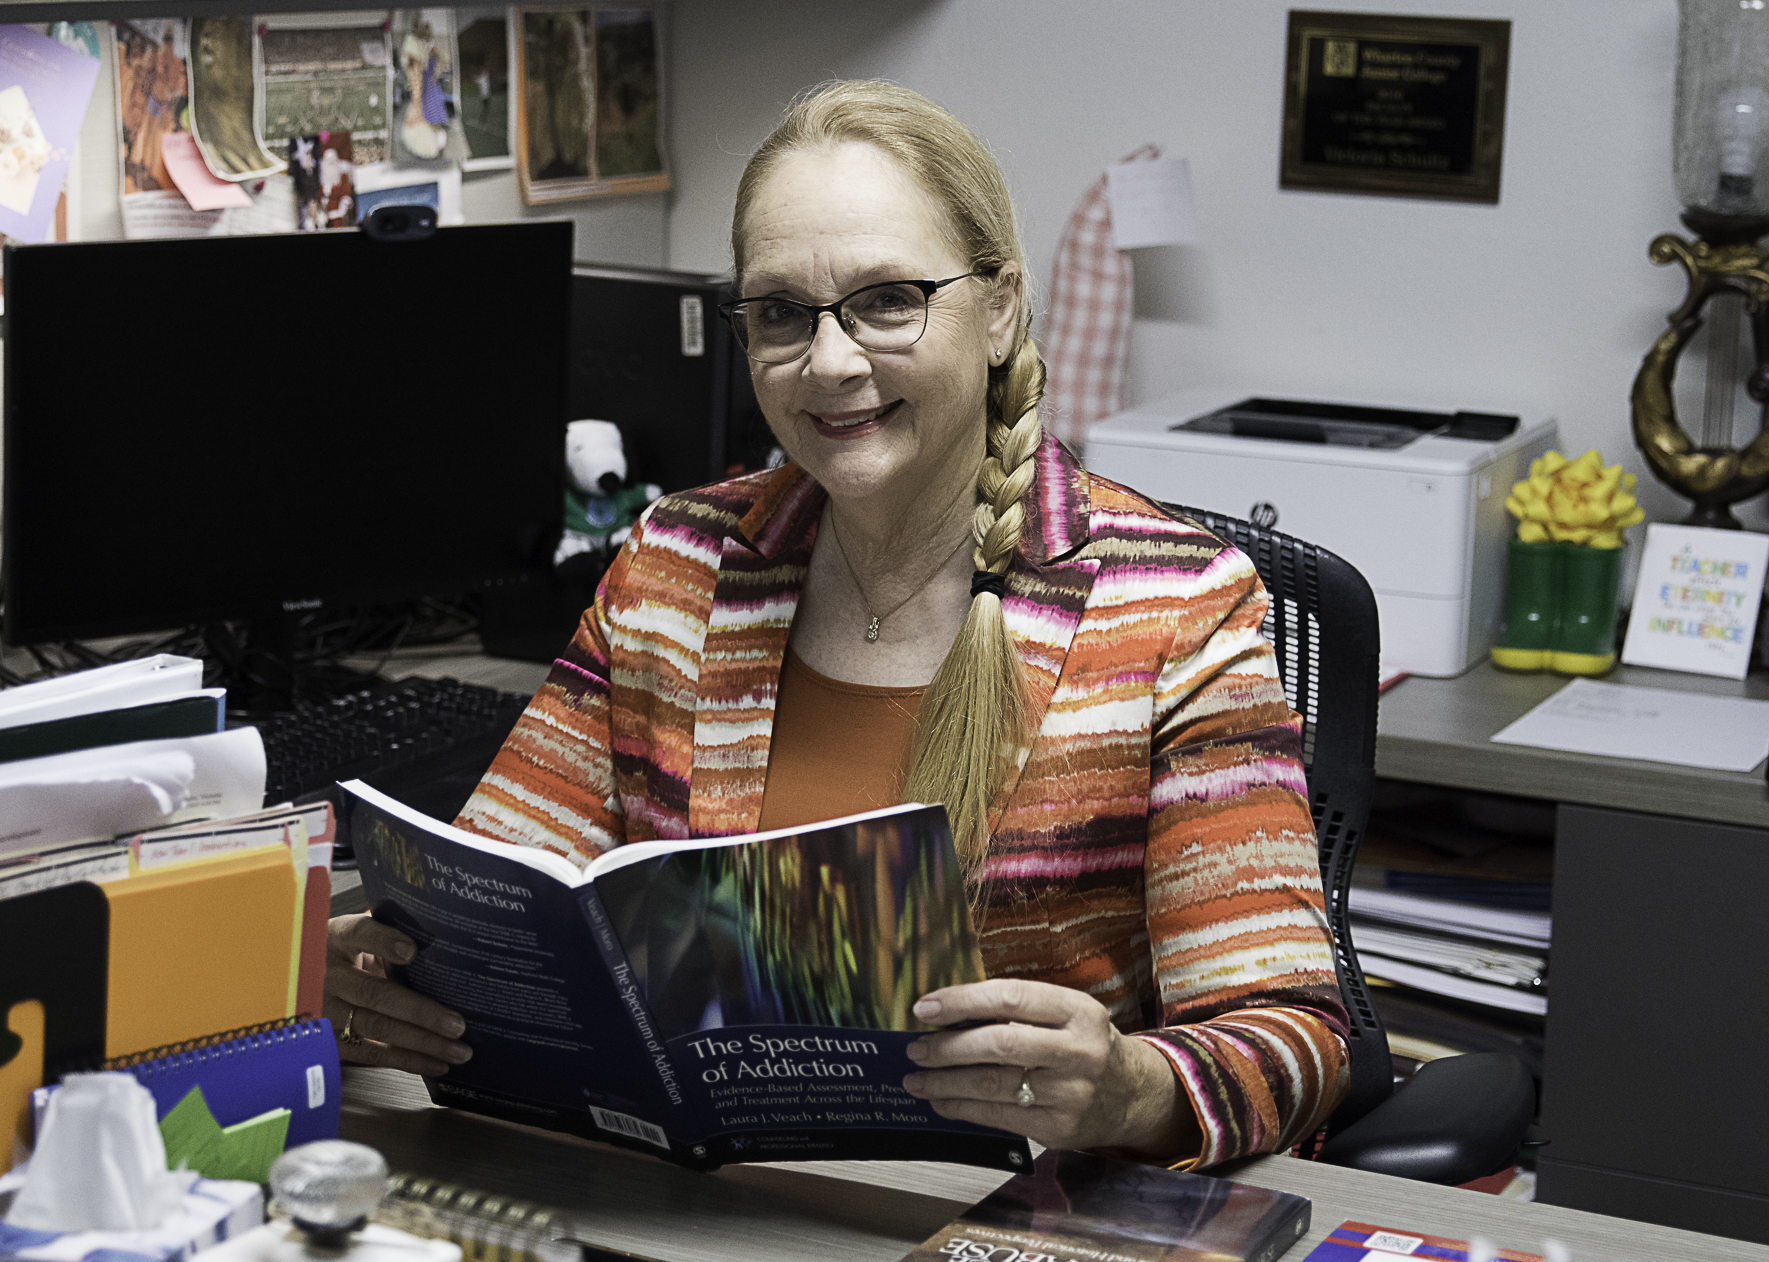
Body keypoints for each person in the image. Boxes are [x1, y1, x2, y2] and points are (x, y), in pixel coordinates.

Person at [325, 80, 1349, 1168]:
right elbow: (498, 891)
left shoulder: (1176, 604)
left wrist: (1131, 1089)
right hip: (695, 1215)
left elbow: (1293, 1034)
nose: (830, 363)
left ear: (1000, 307)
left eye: (888, 300)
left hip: (997, 1225)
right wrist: (395, 972)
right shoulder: (679, 565)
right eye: (780, 313)